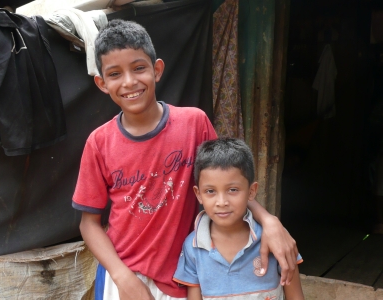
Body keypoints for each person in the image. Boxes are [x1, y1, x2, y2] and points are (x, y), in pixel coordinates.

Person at [72, 19, 298, 300]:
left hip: (185, 273)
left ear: (157, 70)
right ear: (102, 83)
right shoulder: (99, 142)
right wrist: (122, 277)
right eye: (115, 74)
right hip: (124, 277)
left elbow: (226, 182)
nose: (129, 82)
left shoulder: (193, 123)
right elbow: (88, 224)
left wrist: (270, 221)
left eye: (139, 68)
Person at [173, 138, 304, 300]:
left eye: (233, 189)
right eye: (210, 191)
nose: (222, 202)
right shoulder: (193, 248)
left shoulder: (274, 240)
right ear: (198, 194)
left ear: (251, 191)